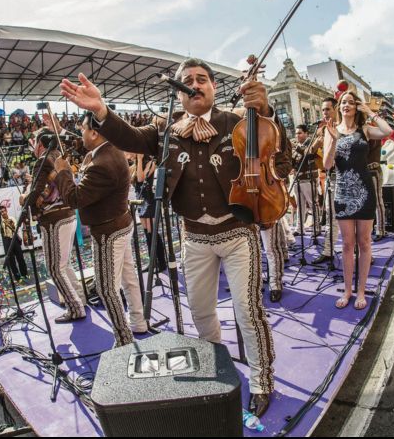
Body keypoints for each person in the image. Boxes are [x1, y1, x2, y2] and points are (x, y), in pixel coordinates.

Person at [60, 58, 285, 417]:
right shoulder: (166, 129)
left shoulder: (236, 122)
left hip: (237, 232)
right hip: (194, 237)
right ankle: (219, 367)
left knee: (248, 310)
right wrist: (101, 110)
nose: (195, 84)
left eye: (202, 79)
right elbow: (129, 137)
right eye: (187, 80)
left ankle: (262, 381)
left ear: (213, 87)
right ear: (178, 92)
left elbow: (276, 152)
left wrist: (265, 110)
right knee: (201, 312)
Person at [54, 115, 146, 343]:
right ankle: (138, 322)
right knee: (128, 278)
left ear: (94, 133)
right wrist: (58, 130)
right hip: (121, 223)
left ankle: (124, 339)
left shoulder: (102, 164)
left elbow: (75, 199)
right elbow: (81, 143)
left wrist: (63, 172)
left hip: (108, 232)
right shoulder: (110, 149)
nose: (80, 133)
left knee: (106, 289)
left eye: (83, 129)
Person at [323, 91, 393, 311]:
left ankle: (361, 290)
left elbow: (387, 131)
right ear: (339, 107)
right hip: (343, 192)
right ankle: (347, 291)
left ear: (356, 107)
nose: (346, 105)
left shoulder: (364, 129)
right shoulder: (331, 130)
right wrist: (333, 140)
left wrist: (370, 111)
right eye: (343, 102)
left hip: (364, 190)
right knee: (347, 244)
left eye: (351, 103)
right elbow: (327, 165)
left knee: (364, 242)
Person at [21, 128, 86, 323]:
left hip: (53, 220)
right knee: (64, 265)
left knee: (55, 268)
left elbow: (35, 192)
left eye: (34, 142)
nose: (33, 146)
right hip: (68, 215)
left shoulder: (43, 160)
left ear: (41, 143)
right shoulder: (59, 156)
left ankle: (75, 308)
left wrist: (24, 198)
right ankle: (80, 299)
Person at [315, 97, 339, 265]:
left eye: (328, 109)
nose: (325, 113)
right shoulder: (324, 131)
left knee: (351, 218)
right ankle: (328, 251)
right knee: (331, 217)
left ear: (336, 109)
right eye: (323, 110)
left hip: (347, 178)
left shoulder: (346, 127)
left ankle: (360, 251)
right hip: (331, 176)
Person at [0, 205, 29, 283]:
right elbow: (2, 232)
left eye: (4, 211)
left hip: (14, 239)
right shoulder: (0, 222)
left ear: (6, 211)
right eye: (1, 212)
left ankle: (24, 274)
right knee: (11, 261)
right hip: (7, 240)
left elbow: (16, 227)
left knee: (20, 258)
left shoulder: (12, 218)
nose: (3, 213)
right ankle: (17, 277)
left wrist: (9, 223)